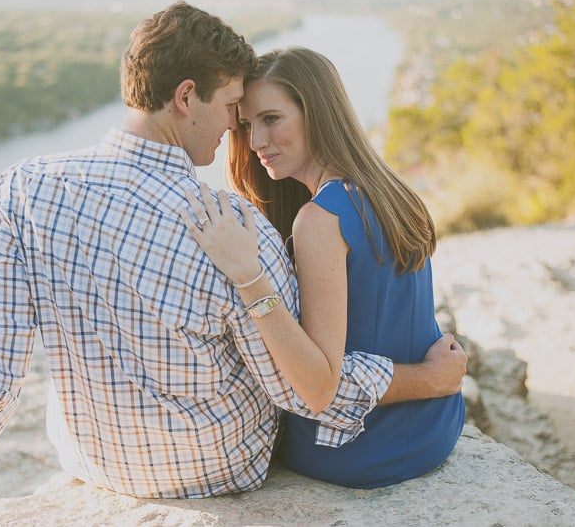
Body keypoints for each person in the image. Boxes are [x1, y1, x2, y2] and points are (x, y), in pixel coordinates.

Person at [0, 3, 466, 525]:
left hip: (91, 461)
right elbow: (304, 390)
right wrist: (429, 380)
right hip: (219, 469)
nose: (240, 128)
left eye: (262, 118)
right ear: (187, 96)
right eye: (236, 107)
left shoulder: (22, 188)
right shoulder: (232, 229)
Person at [182, 46, 466, 488]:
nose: (256, 141)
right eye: (247, 125)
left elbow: (319, 388)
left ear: (317, 112)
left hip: (360, 448)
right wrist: (433, 381)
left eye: (272, 119)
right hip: (437, 428)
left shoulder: (318, 220)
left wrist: (248, 277)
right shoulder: (390, 190)